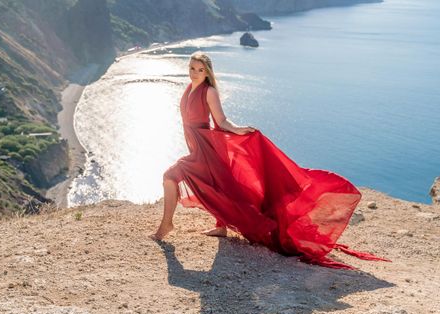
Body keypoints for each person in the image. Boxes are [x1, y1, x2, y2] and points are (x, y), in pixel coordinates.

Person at [150, 51, 388, 269]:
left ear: (208, 72)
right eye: (192, 68)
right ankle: (221, 226)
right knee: (220, 185)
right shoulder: (189, 87)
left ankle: (166, 225)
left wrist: (240, 129)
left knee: (171, 176)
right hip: (197, 146)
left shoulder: (208, 92)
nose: (194, 72)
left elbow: (221, 121)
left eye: (199, 69)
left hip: (205, 149)